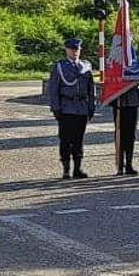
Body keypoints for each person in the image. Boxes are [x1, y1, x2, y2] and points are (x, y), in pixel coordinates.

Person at [46, 38, 95, 179]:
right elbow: (54, 89)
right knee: (66, 140)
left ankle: (77, 169)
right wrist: (55, 108)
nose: (75, 52)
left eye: (77, 49)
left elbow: (91, 90)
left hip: (81, 108)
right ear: (66, 50)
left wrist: (91, 106)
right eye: (72, 49)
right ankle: (66, 169)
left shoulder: (86, 66)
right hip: (66, 108)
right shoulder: (60, 67)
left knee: (79, 140)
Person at [111, 62, 139, 176]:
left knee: (131, 134)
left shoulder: (136, 57)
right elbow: (108, 76)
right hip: (118, 99)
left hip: (132, 100)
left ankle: (129, 164)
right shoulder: (114, 56)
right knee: (119, 133)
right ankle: (120, 165)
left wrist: (129, 82)